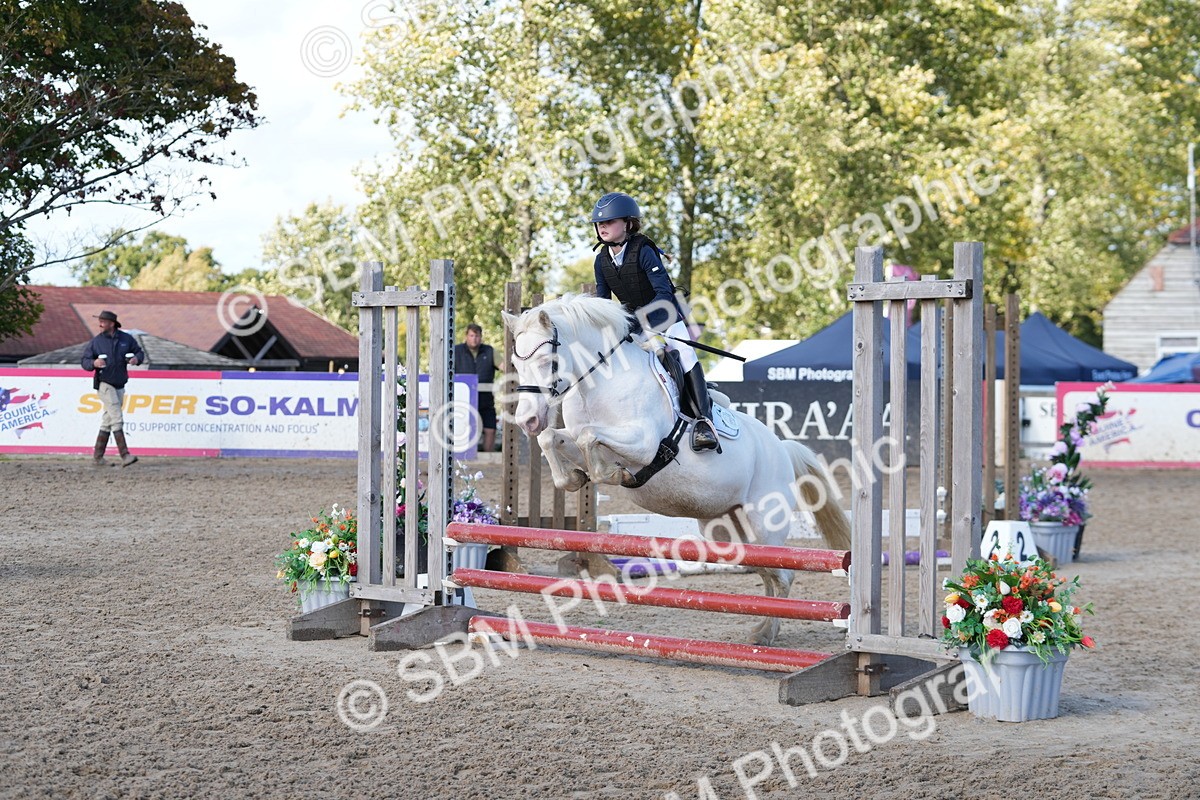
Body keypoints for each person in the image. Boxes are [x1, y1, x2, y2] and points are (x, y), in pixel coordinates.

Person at [590, 191, 719, 453]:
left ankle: (705, 422)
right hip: (634, 323)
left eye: (610, 222)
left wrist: (635, 322)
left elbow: (663, 294)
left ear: (627, 223)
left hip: (665, 313)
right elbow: (603, 303)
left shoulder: (645, 250)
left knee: (683, 353)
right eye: (600, 223)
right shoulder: (600, 260)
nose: (603, 227)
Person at [81, 310, 145, 467]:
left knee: (107, 421)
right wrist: (93, 363)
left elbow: (139, 352)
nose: (100, 324)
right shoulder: (96, 342)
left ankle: (98, 457)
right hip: (104, 383)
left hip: (120, 384)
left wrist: (137, 359)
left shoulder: (127, 339)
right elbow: (85, 361)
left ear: (112, 323)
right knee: (117, 417)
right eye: (100, 321)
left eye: (103, 321)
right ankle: (125, 455)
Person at [454, 323, 498, 452]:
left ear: (481, 337)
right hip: (463, 400)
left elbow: (504, 366)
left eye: (477, 336)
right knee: (465, 428)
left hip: (486, 400)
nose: (474, 339)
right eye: (471, 335)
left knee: (490, 429)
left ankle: (487, 458)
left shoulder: (489, 351)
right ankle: (464, 457)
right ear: (466, 336)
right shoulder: (456, 351)